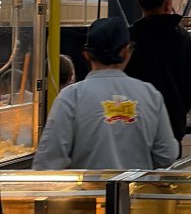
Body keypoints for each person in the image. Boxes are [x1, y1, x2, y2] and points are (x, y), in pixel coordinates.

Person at [33, 18, 178, 170]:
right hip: (136, 192)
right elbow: (167, 156)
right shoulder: (150, 94)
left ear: (86, 55)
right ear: (126, 52)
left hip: (86, 193)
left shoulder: (71, 97)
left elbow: (48, 162)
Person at [126, 0, 191, 150]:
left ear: (141, 4)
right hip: (172, 125)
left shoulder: (129, 38)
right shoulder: (184, 39)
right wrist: (178, 111)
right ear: (168, 4)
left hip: (134, 125)